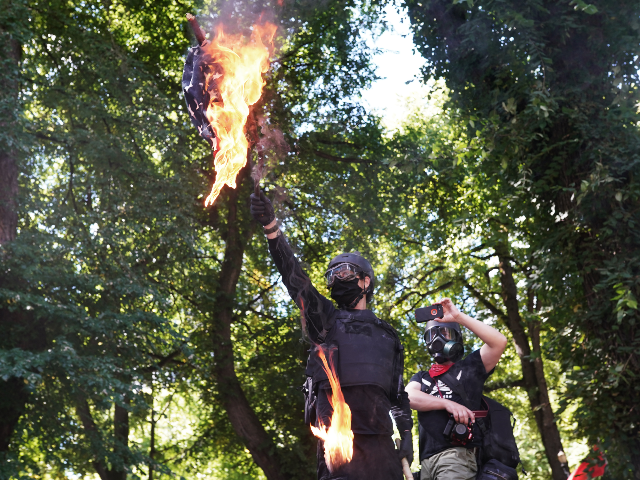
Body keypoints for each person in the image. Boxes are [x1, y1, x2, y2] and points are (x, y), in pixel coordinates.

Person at [250, 192, 413, 480]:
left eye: (346, 272)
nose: (337, 279)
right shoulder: (324, 321)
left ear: (366, 281)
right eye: (331, 275)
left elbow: (399, 395)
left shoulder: (388, 336)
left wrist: (408, 437)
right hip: (338, 445)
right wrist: (271, 229)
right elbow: (294, 278)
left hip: (382, 450)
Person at [406, 298, 508, 480]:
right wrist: (446, 404)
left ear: (456, 337)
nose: (437, 339)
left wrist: (458, 317)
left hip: (456, 457)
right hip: (426, 463)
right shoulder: (422, 377)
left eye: (444, 332)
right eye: (431, 335)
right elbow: (409, 397)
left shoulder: (469, 368)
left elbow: (499, 342)